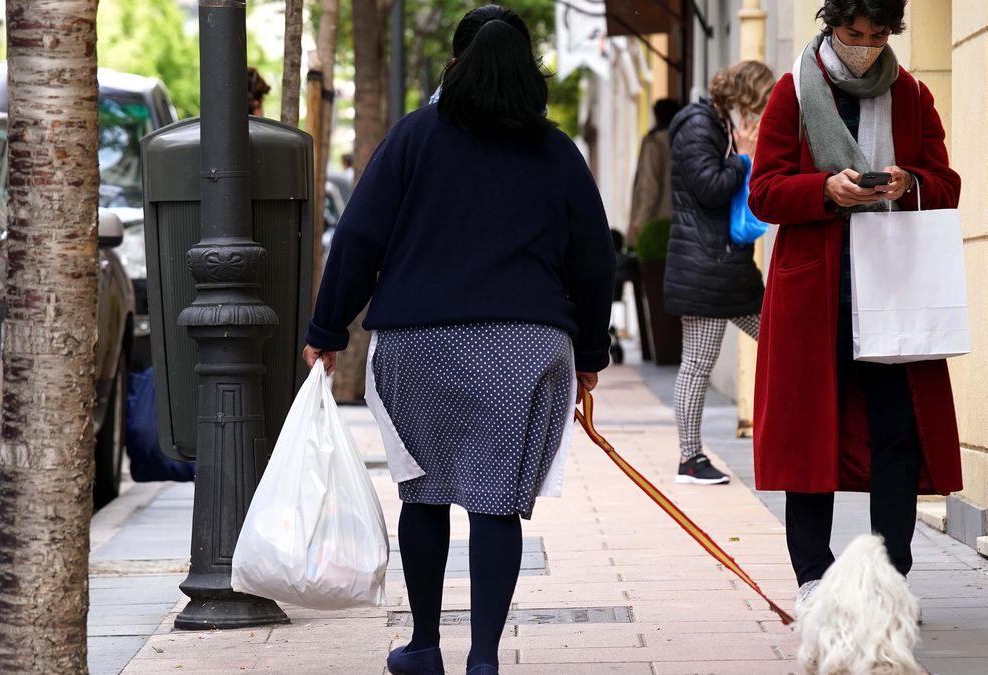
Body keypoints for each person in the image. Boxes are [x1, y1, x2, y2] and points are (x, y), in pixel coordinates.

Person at [301, 5, 616, 674]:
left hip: (420, 345)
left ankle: (422, 645)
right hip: (528, 348)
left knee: (424, 490)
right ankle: (482, 658)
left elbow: (358, 236)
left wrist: (327, 328)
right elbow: (594, 261)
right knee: (495, 499)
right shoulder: (557, 152)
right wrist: (590, 354)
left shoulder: (415, 137)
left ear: (455, 63)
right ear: (528, 69)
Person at [747, 0, 963, 605]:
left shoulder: (912, 95)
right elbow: (763, 191)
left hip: (892, 288)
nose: (864, 45)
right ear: (830, 26)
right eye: (851, 33)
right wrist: (825, 188)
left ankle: (890, 580)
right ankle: (812, 577)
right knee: (808, 435)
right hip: (816, 292)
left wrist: (909, 182)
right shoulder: (793, 90)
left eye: (876, 35)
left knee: (897, 435)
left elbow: (946, 182)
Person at [665, 61, 774, 486]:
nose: (763, 112)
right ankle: (689, 460)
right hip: (705, 271)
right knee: (697, 365)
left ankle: (795, 430)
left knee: (782, 336)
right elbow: (709, 188)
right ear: (743, 97)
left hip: (726, 269)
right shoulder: (698, 125)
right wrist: (745, 157)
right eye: (761, 102)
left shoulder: (723, 126)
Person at [627, 98, 680, 246]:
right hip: (678, 224)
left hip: (654, 226)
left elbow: (649, 186)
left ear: (656, 116)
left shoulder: (654, 143)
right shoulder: (684, 139)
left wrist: (638, 222)